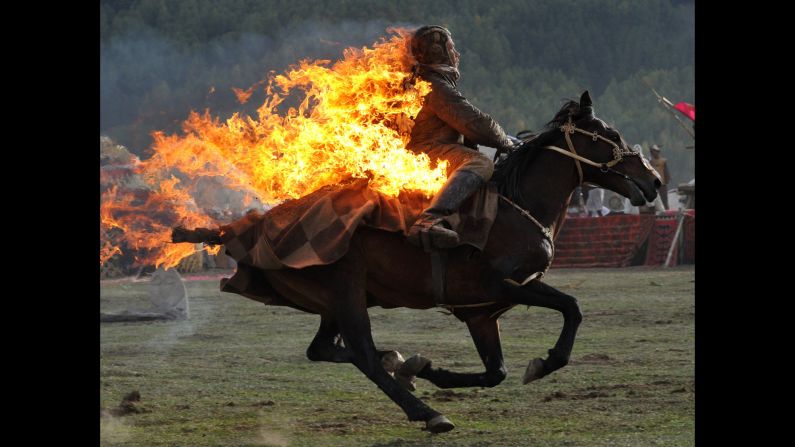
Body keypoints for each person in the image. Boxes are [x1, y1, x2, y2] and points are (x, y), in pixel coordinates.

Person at [405, 25, 518, 249]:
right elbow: (477, 125)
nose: (457, 55)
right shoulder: (435, 86)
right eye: (452, 48)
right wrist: (509, 143)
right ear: (440, 53)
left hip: (426, 150)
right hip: (426, 153)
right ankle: (429, 220)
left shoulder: (431, 83)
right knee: (480, 162)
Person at [649, 144, 671, 210]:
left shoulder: (663, 161)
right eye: (653, 151)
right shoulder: (650, 161)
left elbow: (666, 173)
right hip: (653, 185)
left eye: (656, 151)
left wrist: (666, 181)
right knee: (653, 202)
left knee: (664, 201)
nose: (654, 153)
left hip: (662, 184)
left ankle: (667, 213)